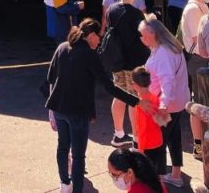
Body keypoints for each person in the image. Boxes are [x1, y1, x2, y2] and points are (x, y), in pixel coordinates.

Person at [45, 19, 148, 193]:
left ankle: (64, 184)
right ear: (91, 35)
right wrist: (136, 100)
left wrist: (51, 111)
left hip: (59, 108)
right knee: (78, 156)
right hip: (77, 113)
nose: (100, 41)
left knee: (63, 148)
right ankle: (76, 189)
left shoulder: (62, 47)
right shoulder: (89, 55)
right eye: (98, 37)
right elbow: (109, 86)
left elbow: (50, 78)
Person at [138, 17, 189, 188]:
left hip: (165, 104)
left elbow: (167, 81)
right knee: (174, 137)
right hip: (178, 101)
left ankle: (157, 182)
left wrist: (163, 105)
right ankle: (175, 174)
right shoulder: (170, 47)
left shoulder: (163, 53)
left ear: (154, 34)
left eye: (144, 36)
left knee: (158, 143)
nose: (142, 39)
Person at [105, 0, 150, 149]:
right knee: (133, 99)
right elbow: (141, 38)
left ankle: (118, 134)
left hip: (117, 60)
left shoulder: (111, 10)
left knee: (119, 96)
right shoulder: (136, 13)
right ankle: (137, 138)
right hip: (134, 62)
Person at [179, 0, 209, 160]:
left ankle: (203, 143)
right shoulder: (194, 8)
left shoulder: (202, 5)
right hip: (198, 58)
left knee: (204, 101)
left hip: (203, 57)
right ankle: (198, 144)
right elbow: (197, 40)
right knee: (198, 103)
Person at [128, 68, 164, 175]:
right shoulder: (155, 97)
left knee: (147, 174)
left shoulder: (140, 105)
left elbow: (142, 128)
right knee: (154, 171)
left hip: (147, 144)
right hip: (158, 140)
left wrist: (141, 149)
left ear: (135, 85)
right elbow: (162, 120)